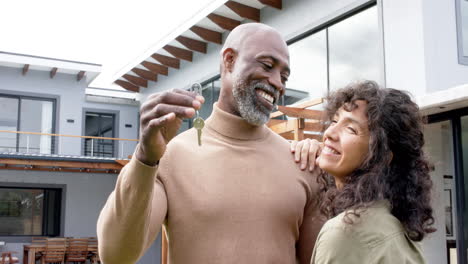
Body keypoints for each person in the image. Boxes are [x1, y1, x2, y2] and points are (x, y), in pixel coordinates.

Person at [97, 23, 324, 264]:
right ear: (229, 60)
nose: (278, 82)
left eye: (284, 76)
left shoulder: (302, 162)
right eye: (267, 65)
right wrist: (144, 157)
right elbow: (115, 256)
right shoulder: (172, 156)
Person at [291, 80, 435, 264]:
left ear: (382, 155)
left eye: (350, 128)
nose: (329, 133)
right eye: (334, 121)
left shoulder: (346, 232)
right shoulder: (395, 224)